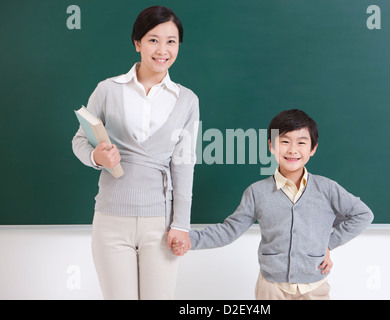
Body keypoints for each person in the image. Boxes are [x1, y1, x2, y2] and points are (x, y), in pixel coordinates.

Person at [173, 109, 373, 300]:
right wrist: (190, 240)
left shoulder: (327, 188)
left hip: (315, 286)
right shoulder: (257, 192)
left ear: (313, 149)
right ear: (271, 146)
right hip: (271, 287)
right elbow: (229, 230)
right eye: (284, 141)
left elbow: (362, 215)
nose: (292, 150)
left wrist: (328, 244)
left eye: (301, 143)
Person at [72, 6, 199, 300]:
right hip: (110, 221)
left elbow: (184, 165)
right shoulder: (107, 90)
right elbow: (80, 140)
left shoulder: (187, 100)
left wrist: (181, 224)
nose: (162, 50)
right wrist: (96, 158)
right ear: (137, 43)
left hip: (161, 222)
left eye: (171, 41)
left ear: (179, 45)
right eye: (153, 40)